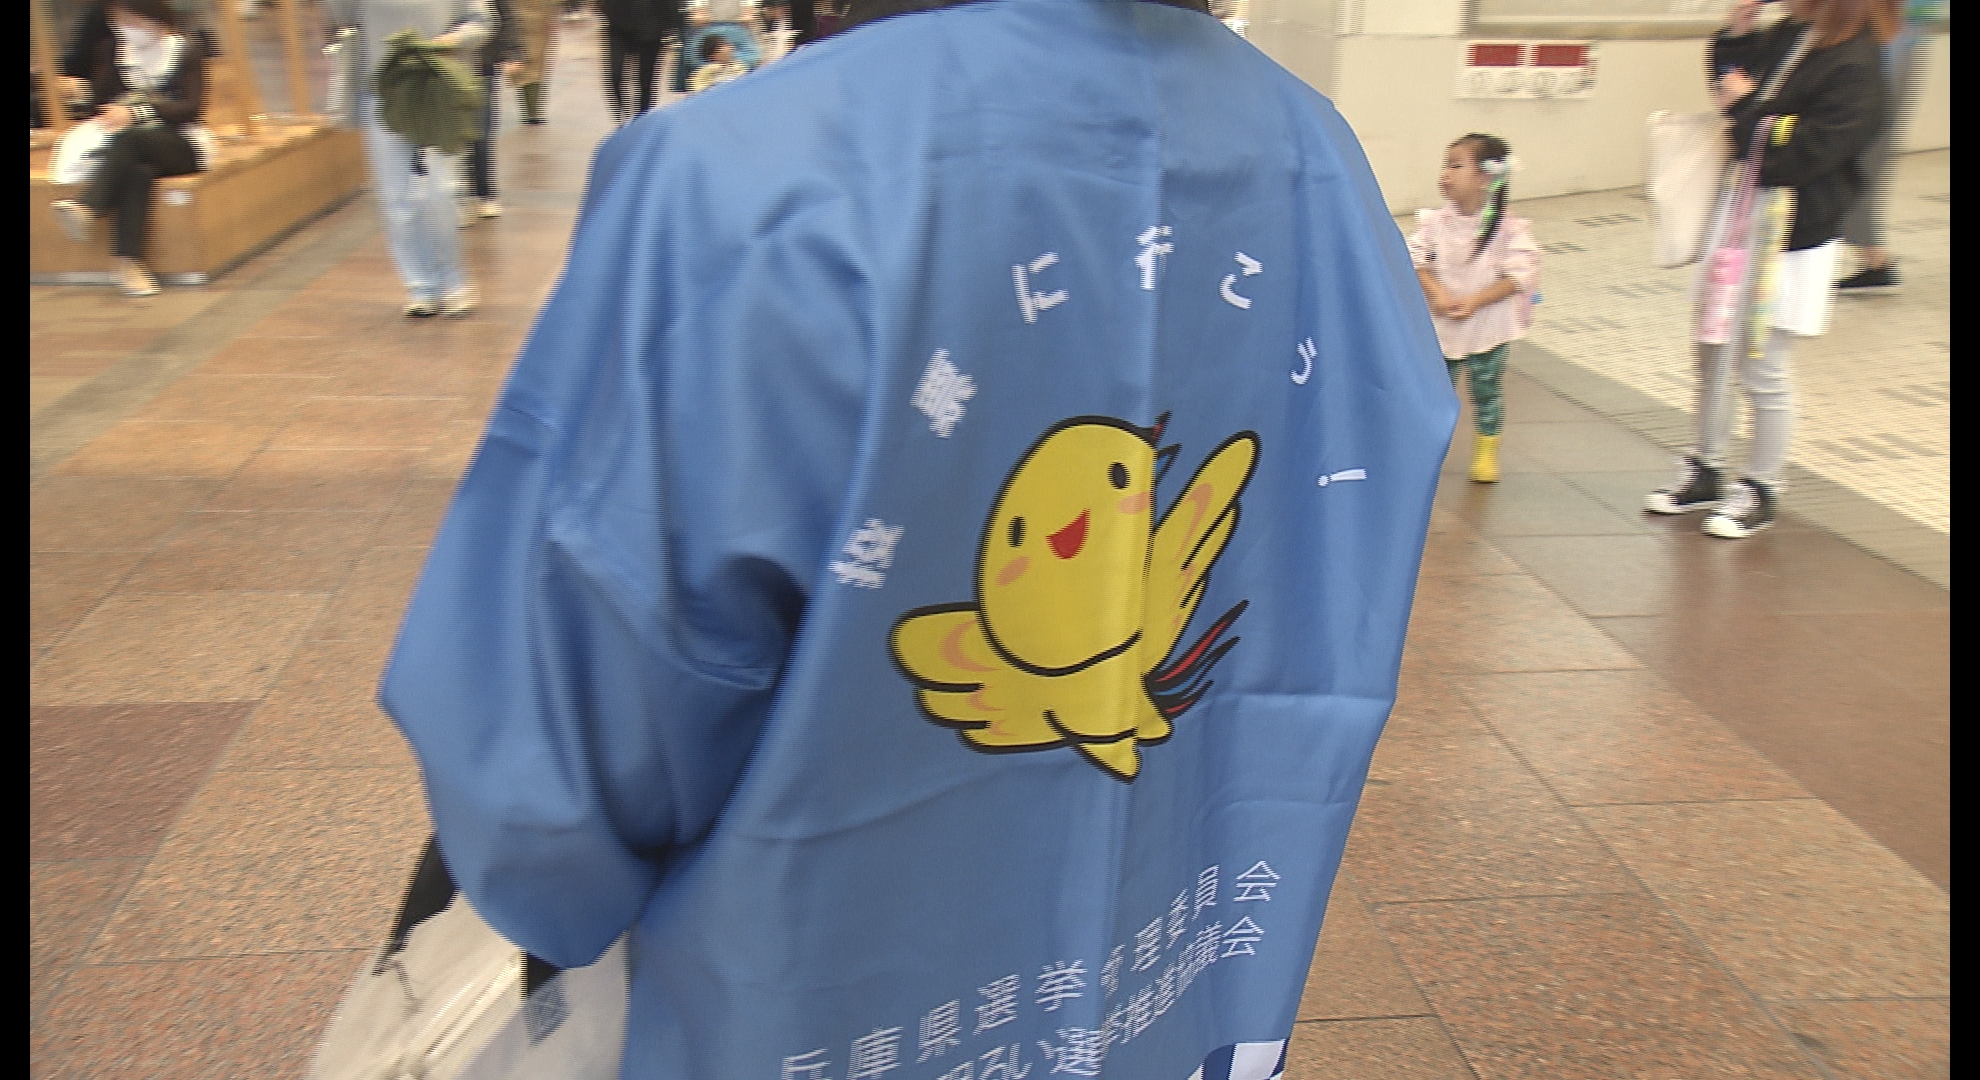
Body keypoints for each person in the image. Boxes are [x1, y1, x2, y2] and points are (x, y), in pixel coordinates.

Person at [379, 0, 1455, 1075]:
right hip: (1182, 998)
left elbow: (548, 787)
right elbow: (1341, 586)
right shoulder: (1320, 169)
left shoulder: (750, 180)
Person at [1645, 0, 1883, 538]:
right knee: (1710, 351)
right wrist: (1737, 33)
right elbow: (1731, 87)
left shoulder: (1858, 66)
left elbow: (1797, 154)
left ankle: (1761, 487)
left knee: (1762, 367)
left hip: (1792, 236)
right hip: (1737, 220)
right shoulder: (1792, 33)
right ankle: (1705, 469)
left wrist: (1747, 104)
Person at [327, 0, 491, 317]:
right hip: (381, 93)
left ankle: (455, 282)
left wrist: (450, 41)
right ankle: (421, 286)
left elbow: (483, 21)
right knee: (396, 199)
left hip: (439, 90)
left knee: (440, 192)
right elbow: (340, 15)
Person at [49, 0, 213, 298]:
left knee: (131, 140)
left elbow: (190, 108)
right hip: (133, 148)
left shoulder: (185, 50)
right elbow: (101, 99)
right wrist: (79, 92)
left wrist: (137, 112)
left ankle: (88, 206)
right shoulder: (116, 50)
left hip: (180, 144)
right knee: (138, 172)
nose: (127, 29)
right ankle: (128, 264)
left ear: (154, 17)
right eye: (121, 22)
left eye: (133, 21)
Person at [1409, 133, 1540, 484]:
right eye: (1445, 165)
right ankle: (1427, 451)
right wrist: (1437, 292)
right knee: (1436, 391)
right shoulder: (1435, 223)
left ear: (1485, 177)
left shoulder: (1508, 228)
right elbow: (1415, 259)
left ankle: (1486, 449)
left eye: (1456, 166)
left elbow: (1520, 273)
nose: (1445, 174)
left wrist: (1476, 301)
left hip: (1489, 326)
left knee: (1486, 388)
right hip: (1442, 323)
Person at [1835, 0, 1943, 292]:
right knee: (1861, 156)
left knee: (1863, 155)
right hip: (1884, 43)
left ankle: (1874, 259)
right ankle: (1873, 259)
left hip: (1888, 47)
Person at [463, 0, 519, 221]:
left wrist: (512, 53)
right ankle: (459, 196)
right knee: (450, 135)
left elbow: (505, 14)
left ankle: (484, 193)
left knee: (480, 133)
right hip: (442, 67)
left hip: (480, 66)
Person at [599, 0, 680, 123]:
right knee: (614, 75)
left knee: (646, 81)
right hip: (618, 27)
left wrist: (673, 25)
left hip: (652, 28)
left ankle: (641, 121)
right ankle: (622, 119)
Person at [672, 0, 758, 92]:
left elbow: (753, 55)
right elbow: (694, 58)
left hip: (738, 24)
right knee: (693, 60)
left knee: (752, 58)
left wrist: (749, 11)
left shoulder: (739, 35)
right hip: (706, 25)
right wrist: (697, 11)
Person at [510, 0, 558, 123]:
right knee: (534, 68)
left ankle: (531, 110)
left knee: (523, 67)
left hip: (516, 20)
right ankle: (532, 111)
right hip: (538, 21)